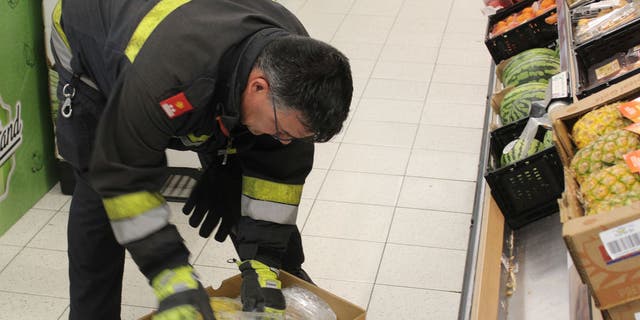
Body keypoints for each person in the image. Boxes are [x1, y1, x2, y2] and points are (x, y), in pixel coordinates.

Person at [49, 0, 353, 319]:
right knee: (100, 190)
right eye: (282, 131)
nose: (285, 141)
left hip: (195, 58)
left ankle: (281, 285)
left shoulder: (298, 67)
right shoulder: (166, 77)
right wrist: (174, 281)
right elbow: (123, 178)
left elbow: (279, 172)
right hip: (94, 41)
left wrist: (263, 264)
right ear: (258, 86)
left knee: (258, 155)